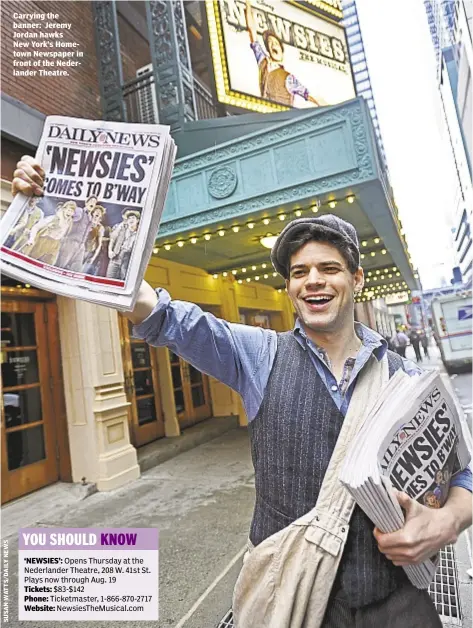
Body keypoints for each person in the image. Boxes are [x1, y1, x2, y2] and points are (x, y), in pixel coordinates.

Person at [12, 156, 473, 627]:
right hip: (289, 600)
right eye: (299, 272)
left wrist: (448, 520)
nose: (312, 280)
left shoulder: (408, 377)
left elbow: (464, 474)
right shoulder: (259, 354)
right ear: (291, 287)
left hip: (396, 604)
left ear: (356, 280)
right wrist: (46, 203)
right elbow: (163, 314)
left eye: (328, 268)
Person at [245, 0, 327, 107]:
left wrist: (326, 106)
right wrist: (247, 4)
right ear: (268, 50)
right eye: (270, 43)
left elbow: (309, 95)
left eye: (276, 43)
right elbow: (252, 31)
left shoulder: (288, 78)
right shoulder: (262, 61)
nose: (273, 45)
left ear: (281, 51)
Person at [23, 200, 76, 266]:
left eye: (72, 211)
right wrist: (31, 239)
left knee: (47, 266)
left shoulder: (69, 223)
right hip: (43, 241)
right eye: (68, 210)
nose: (69, 213)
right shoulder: (53, 218)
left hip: (55, 245)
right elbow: (36, 227)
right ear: (64, 209)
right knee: (30, 262)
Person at [55, 195, 99, 271]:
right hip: (70, 242)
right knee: (60, 266)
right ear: (86, 203)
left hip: (81, 246)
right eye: (91, 201)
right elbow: (64, 214)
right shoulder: (79, 211)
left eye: (94, 202)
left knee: (76, 269)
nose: (93, 203)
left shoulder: (90, 218)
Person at [106, 209, 140, 280]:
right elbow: (112, 239)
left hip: (127, 259)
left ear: (137, 220)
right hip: (116, 256)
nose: (131, 220)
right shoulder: (121, 228)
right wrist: (110, 251)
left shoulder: (139, 234)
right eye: (129, 218)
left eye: (133, 218)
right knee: (109, 278)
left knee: (123, 280)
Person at [81, 205, 106, 275]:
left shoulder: (100, 227)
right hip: (79, 248)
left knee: (82, 270)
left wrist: (94, 257)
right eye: (96, 211)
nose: (97, 214)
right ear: (93, 213)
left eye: (99, 213)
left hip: (89, 251)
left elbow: (99, 243)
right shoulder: (86, 222)